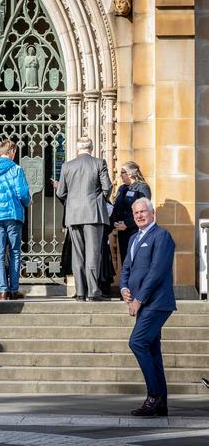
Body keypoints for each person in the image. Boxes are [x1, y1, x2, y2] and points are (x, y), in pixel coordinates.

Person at [119, 198, 176, 417]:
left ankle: (153, 396)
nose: (139, 215)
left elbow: (156, 271)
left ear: (152, 213)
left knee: (137, 342)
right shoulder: (134, 238)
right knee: (152, 351)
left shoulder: (162, 236)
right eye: (136, 213)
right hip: (142, 303)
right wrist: (124, 288)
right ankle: (161, 403)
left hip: (157, 302)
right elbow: (126, 268)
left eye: (143, 211)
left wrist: (138, 299)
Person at [55, 137, 112, 301]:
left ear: (77, 148)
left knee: (77, 254)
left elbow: (60, 192)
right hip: (93, 214)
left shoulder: (67, 165)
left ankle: (80, 292)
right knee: (93, 254)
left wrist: (72, 202)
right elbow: (107, 188)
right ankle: (93, 292)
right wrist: (98, 200)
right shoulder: (99, 163)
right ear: (92, 148)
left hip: (73, 215)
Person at [0, 140, 30, 300]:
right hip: (13, 215)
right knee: (15, 252)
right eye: (14, 152)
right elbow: (22, 193)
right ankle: (14, 289)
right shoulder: (16, 169)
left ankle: (2, 290)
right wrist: (28, 201)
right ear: (12, 152)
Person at [112, 161, 152, 264]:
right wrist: (115, 222)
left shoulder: (142, 188)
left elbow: (144, 211)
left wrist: (127, 224)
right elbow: (116, 208)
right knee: (126, 262)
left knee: (136, 262)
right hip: (122, 231)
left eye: (122, 172)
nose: (120, 175)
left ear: (130, 174)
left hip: (135, 230)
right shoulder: (122, 188)